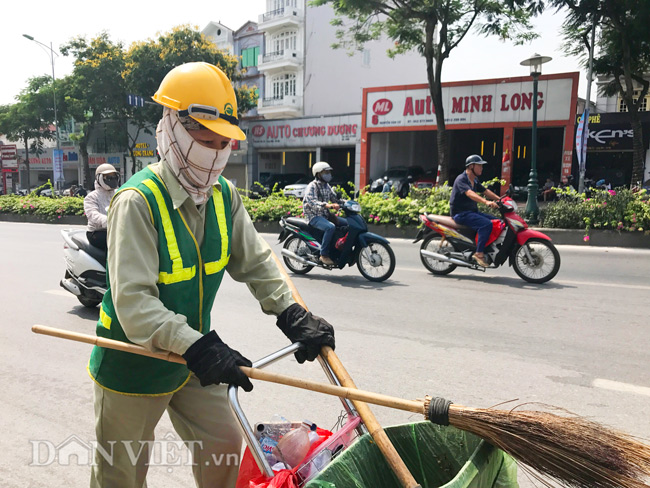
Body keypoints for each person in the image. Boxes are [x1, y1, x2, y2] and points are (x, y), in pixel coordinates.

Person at [88, 62, 335, 488]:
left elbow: (256, 261)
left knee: (223, 444)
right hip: (133, 361)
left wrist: (291, 312)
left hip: (192, 359)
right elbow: (135, 305)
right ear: (171, 128)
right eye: (204, 140)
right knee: (121, 474)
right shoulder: (137, 201)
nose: (214, 153)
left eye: (223, 143)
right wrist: (199, 346)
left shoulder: (225, 195)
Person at [449, 155, 500, 268]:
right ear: (471, 166)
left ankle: (488, 247)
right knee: (486, 224)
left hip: (472, 212)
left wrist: (500, 200)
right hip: (461, 214)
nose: (482, 168)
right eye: (479, 165)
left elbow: (485, 191)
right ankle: (479, 253)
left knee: (499, 222)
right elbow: (469, 193)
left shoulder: (474, 180)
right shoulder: (461, 179)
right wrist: (486, 202)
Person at [302, 161, 346, 266]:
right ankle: (324, 255)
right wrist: (328, 205)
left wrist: (348, 203)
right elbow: (312, 201)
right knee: (330, 227)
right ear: (318, 174)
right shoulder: (312, 186)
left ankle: (338, 248)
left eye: (329, 172)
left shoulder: (327, 186)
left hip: (324, 215)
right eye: (325, 172)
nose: (328, 175)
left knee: (346, 223)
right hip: (313, 216)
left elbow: (335, 198)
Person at [83, 163, 120, 251]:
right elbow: (92, 215)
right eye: (108, 177)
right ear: (99, 178)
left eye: (114, 177)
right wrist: (108, 221)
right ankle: (111, 265)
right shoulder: (92, 197)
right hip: (97, 232)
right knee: (117, 245)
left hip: (115, 229)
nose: (112, 179)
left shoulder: (119, 193)